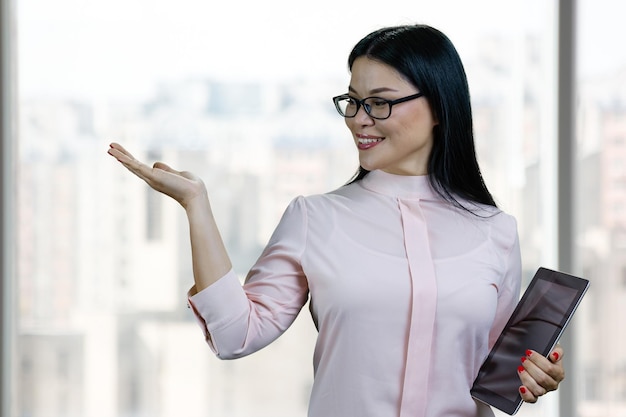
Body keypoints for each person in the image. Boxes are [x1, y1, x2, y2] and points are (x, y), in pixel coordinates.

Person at [108, 24, 565, 417]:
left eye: (379, 103)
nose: (359, 120)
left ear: (439, 109)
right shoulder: (315, 218)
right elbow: (234, 334)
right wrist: (197, 206)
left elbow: (498, 375)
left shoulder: (495, 230)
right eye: (353, 101)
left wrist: (535, 374)